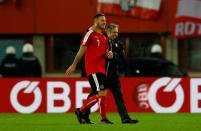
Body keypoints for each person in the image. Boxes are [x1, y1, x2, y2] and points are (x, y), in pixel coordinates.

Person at [83, 24, 139, 124]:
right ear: (108, 32)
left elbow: (122, 60)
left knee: (119, 97)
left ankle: (125, 118)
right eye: (114, 32)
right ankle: (84, 115)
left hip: (113, 77)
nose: (116, 34)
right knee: (94, 95)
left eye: (117, 32)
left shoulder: (119, 44)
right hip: (101, 75)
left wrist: (114, 56)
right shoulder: (100, 41)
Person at [66, 14, 113, 124]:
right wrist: (74, 65)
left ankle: (81, 112)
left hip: (102, 69)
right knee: (101, 94)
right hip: (93, 69)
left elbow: (106, 53)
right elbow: (81, 51)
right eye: (102, 21)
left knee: (98, 95)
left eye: (105, 20)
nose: (104, 22)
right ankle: (102, 118)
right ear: (96, 21)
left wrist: (109, 54)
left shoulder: (104, 36)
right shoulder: (89, 34)